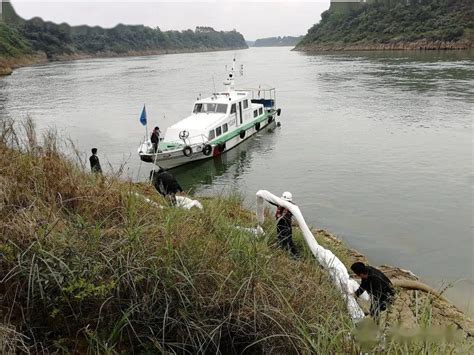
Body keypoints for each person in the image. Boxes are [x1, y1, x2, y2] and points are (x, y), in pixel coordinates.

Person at [274, 191, 299, 258]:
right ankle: (295, 255)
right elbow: (273, 201)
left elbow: (285, 216)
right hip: (281, 226)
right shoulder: (281, 204)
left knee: (286, 241)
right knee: (286, 240)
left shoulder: (291, 208)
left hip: (286, 226)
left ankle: (293, 256)